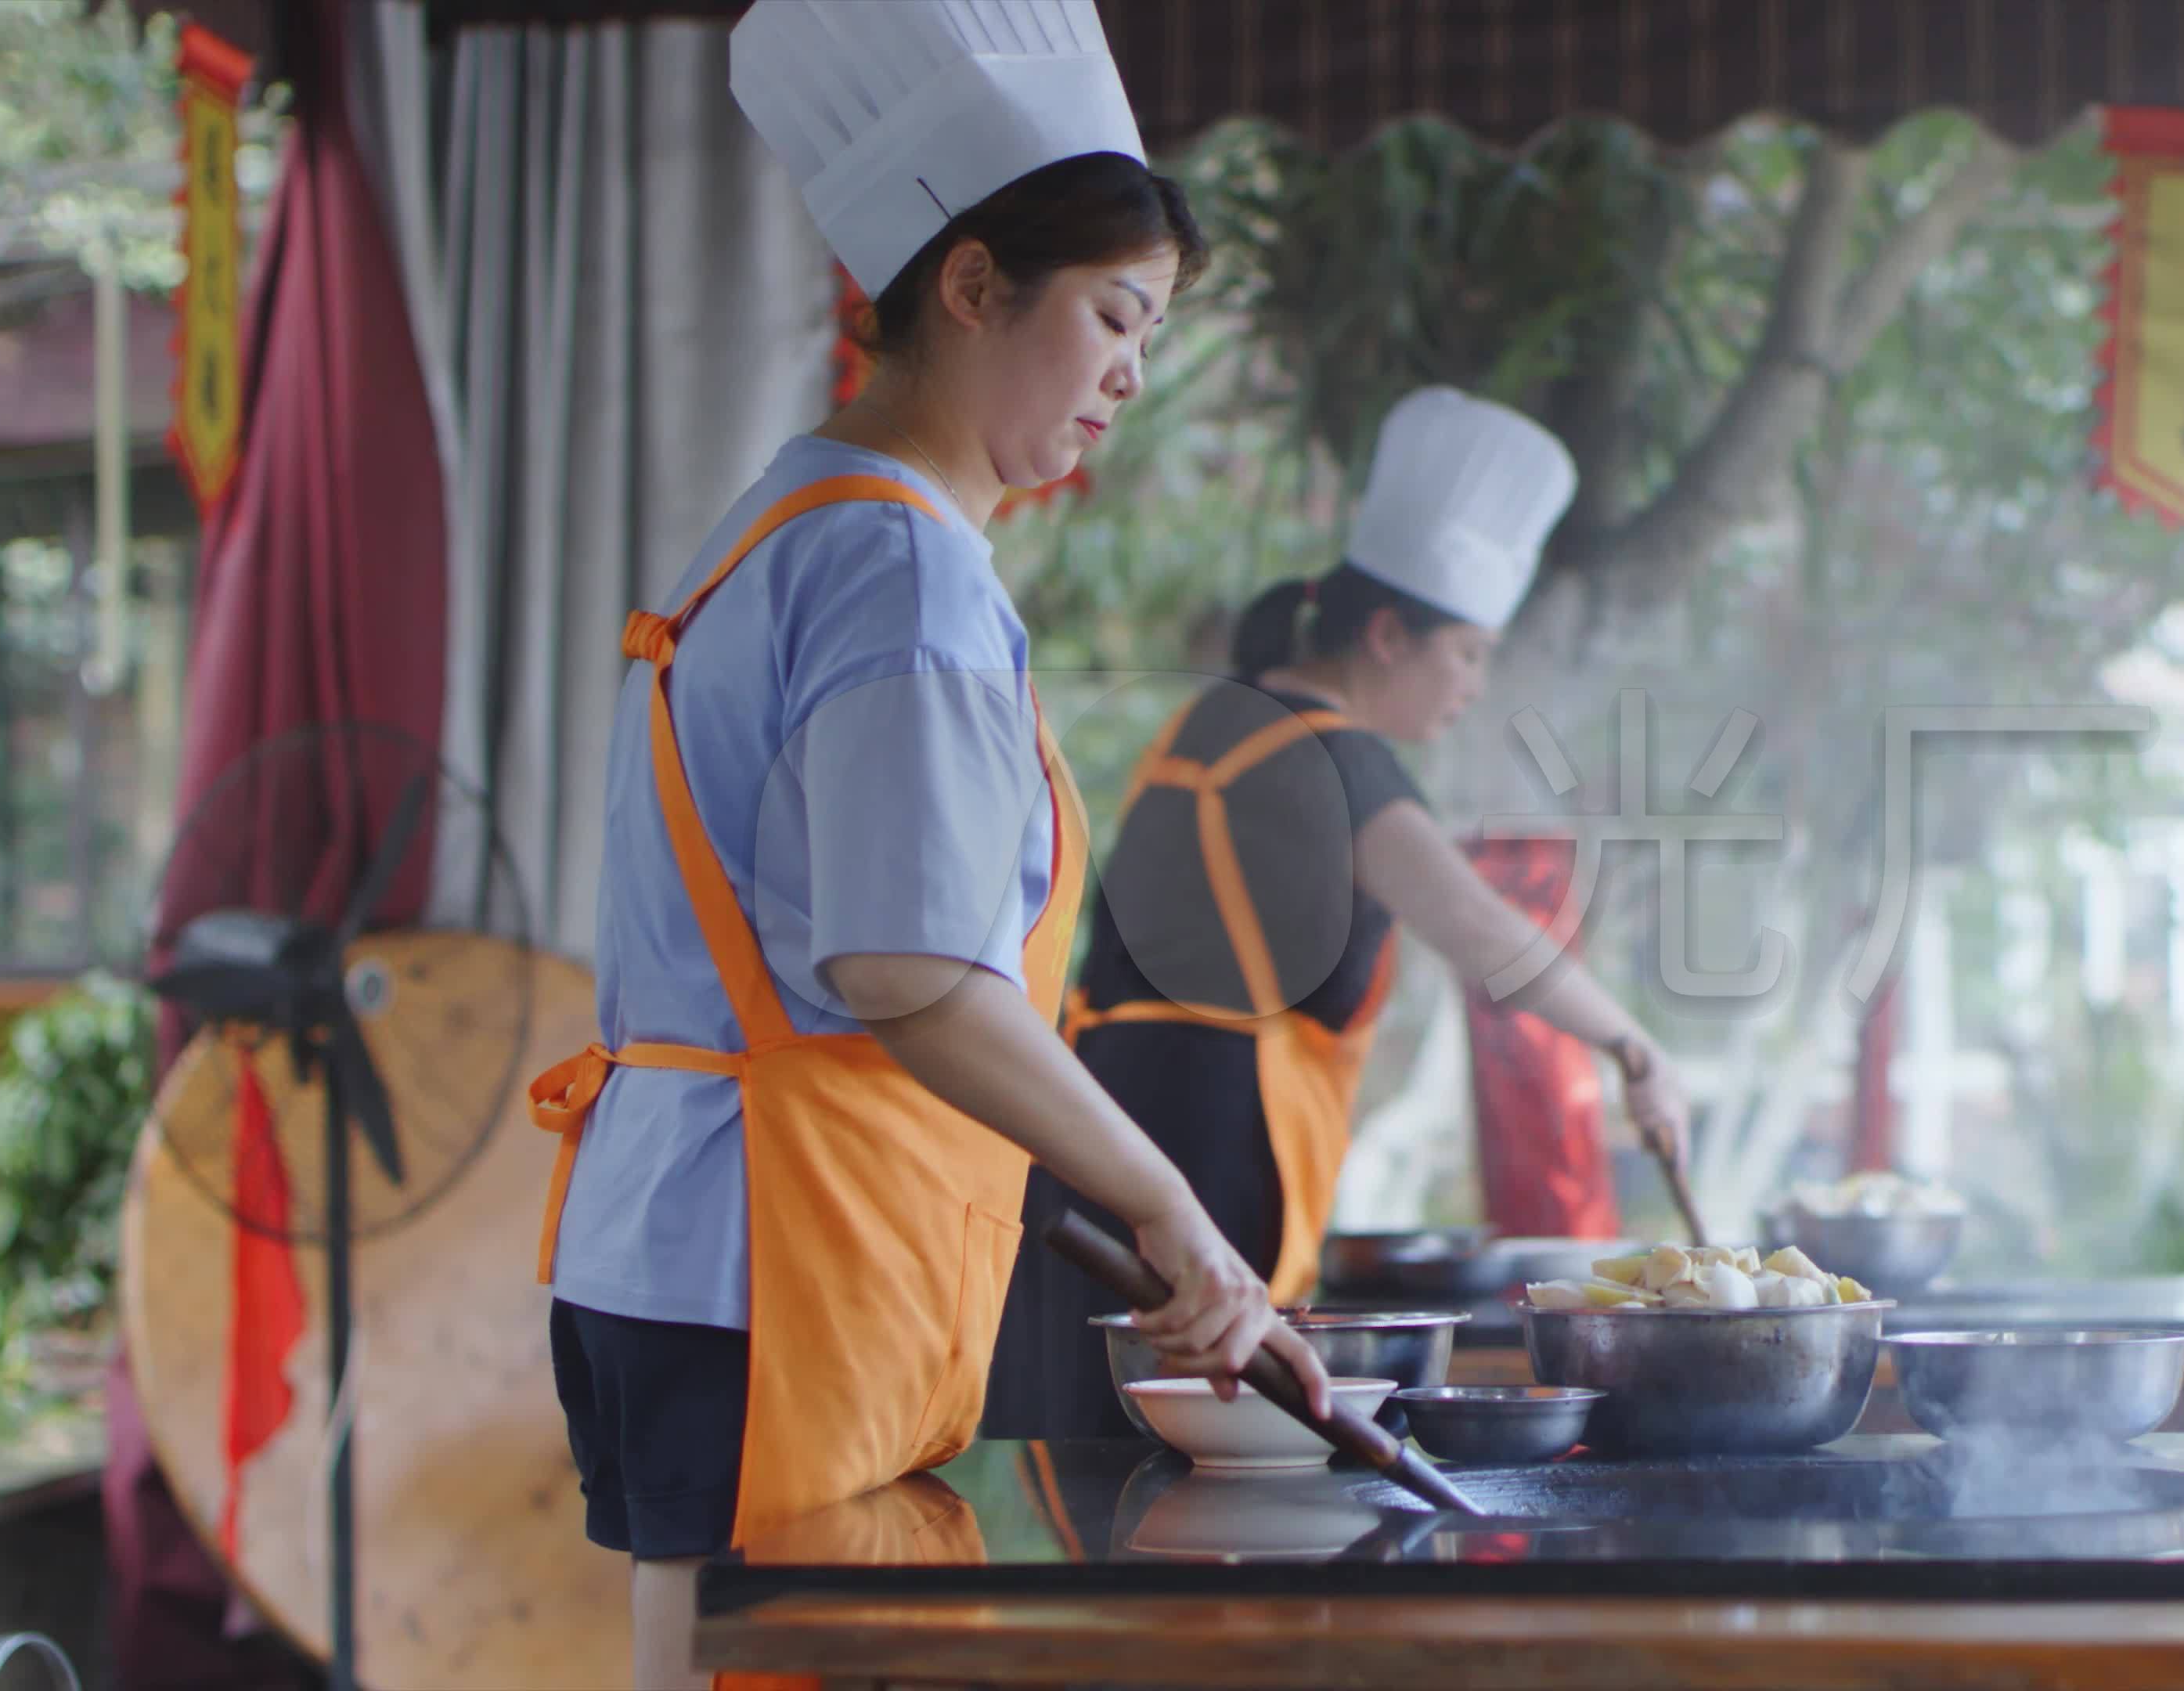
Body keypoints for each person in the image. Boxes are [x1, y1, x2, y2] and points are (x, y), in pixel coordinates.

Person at [521, 5, 1329, 1686]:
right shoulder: (903, 570)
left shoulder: (788, 521)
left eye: (1152, 334)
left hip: (685, 1236)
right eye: (1114, 317)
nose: (1129, 373)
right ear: (969, 286)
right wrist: (1175, 1209)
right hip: (778, 1250)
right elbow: (910, 972)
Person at [984, 387, 1696, 1440]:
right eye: (1465, 655)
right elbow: (1479, 929)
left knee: (1112, 1467)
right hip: (1200, 1152)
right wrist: (1633, 1045)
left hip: (1105, 1147)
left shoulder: (1223, 716)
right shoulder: (1330, 753)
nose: (1471, 687)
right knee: (1194, 1463)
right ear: (1386, 635)